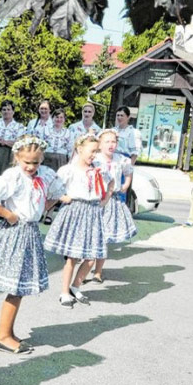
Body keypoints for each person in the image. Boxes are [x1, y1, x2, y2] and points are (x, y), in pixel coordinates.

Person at [0, 135, 63, 355]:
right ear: (16, 157)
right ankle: (2, 336)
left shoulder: (44, 175)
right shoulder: (13, 176)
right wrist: (9, 214)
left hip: (30, 233)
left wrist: (45, 208)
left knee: (20, 288)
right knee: (15, 287)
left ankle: (8, 331)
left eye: (36, 162)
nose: (31, 166)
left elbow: (58, 192)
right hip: (15, 233)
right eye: (26, 161)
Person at [44, 134, 113, 308]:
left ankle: (76, 286)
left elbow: (110, 183)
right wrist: (64, 197)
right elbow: (54, 190)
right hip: (76, 211)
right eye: (92, 151)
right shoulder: (69, 170)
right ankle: (64, 291)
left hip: (93, 211)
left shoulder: (98, 168)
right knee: (73, 257)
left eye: (97, 151)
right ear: (80, 149)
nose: (94, 155)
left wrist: (104, 200)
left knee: (91, 256)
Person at [91, 129, 136, 283]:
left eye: (113, 141)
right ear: (100, 144)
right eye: (107, 141)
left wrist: (125, 184)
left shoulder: (121, 160)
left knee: (103, 237)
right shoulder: (94, 159)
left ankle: (98, 271)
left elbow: (129, 172)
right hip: (95, 201)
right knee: (91, 235)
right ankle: (85, 265)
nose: (111, 145)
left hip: (112, 202)